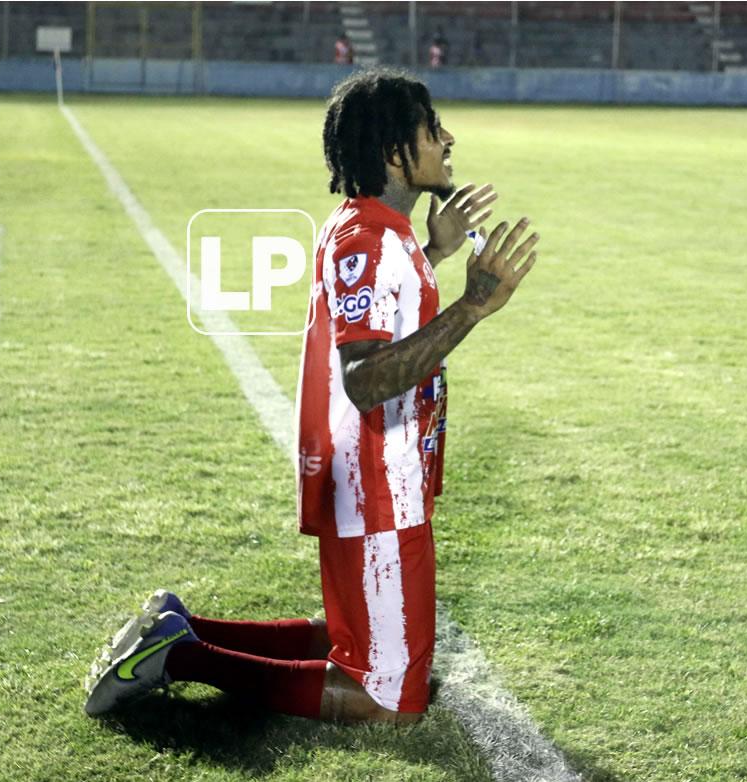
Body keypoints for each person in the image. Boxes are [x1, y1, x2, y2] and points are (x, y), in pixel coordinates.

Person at [84, 69, 540, 724]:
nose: (448, 139)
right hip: (378, 487)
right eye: (431, 128)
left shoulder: (373, 230)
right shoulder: (369, 240)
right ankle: (176, 658)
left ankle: (181, 625)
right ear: (393, 152)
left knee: (364, 644)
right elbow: (366, 377)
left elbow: (386, 308)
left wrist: (432, 253)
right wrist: (472, 307)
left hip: (375, 479)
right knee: (389, 703)